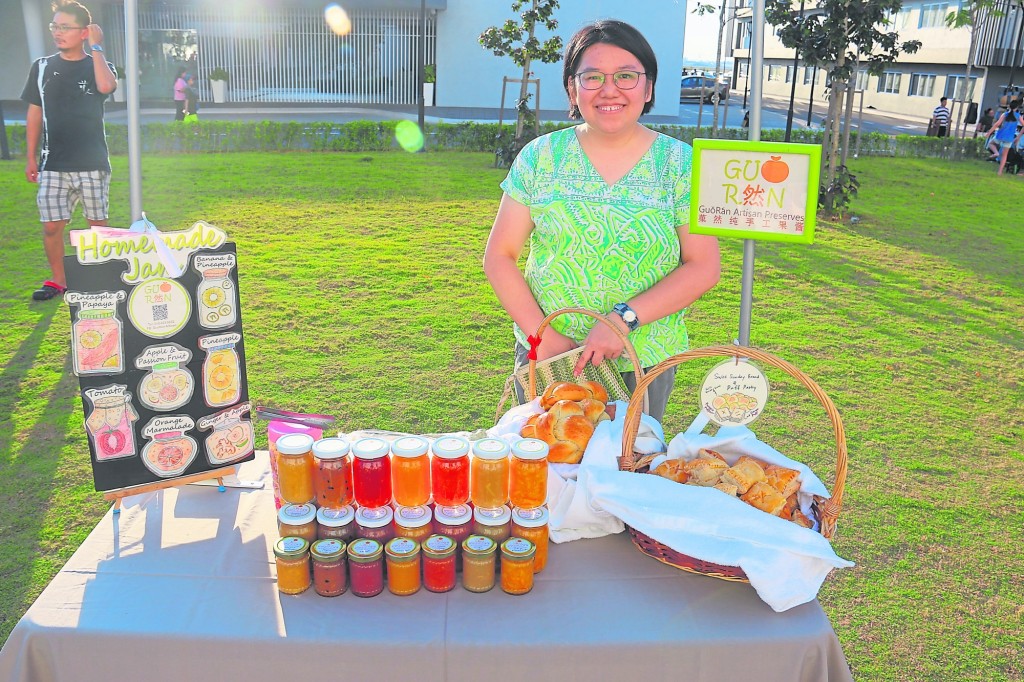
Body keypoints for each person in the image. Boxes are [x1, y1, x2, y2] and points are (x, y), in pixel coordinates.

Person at [483, 19, 721, 423]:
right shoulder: (541, 158)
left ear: (647, 88)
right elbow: (500, 256)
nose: (609, 89)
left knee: (628, 470)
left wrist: (621, 321)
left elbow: (703, 266)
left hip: (641, 359)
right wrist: (545, 337)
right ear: (572, 89)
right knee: (544, 469)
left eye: (626, 76)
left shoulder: (681, 165)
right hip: (548, 357)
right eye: (592, 77)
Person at [22, 0, 117, 301]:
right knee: (52, 226)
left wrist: (97, 47)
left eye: (65, 27)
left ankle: (99, 279)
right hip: (53, 163)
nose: (58, 33)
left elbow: (106, 87)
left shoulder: (98, 65)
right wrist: (30, 156)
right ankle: (58, 280)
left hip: (91, 162)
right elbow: (35, 112)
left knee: (96, 227)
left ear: (84, 32)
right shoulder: (42, 67)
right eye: (55, 26)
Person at [991, 100, 1021, 175]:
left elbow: (997, 124)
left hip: (1001, 135)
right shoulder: (1018, 116)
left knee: (991, 144)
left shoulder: (1005, 114)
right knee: (1005, 155)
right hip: (1009, 138)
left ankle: (996, 153)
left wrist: (989, 133)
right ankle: (1000, 172)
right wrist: (1019, 136)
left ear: (1009, 106)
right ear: (1017, 107)